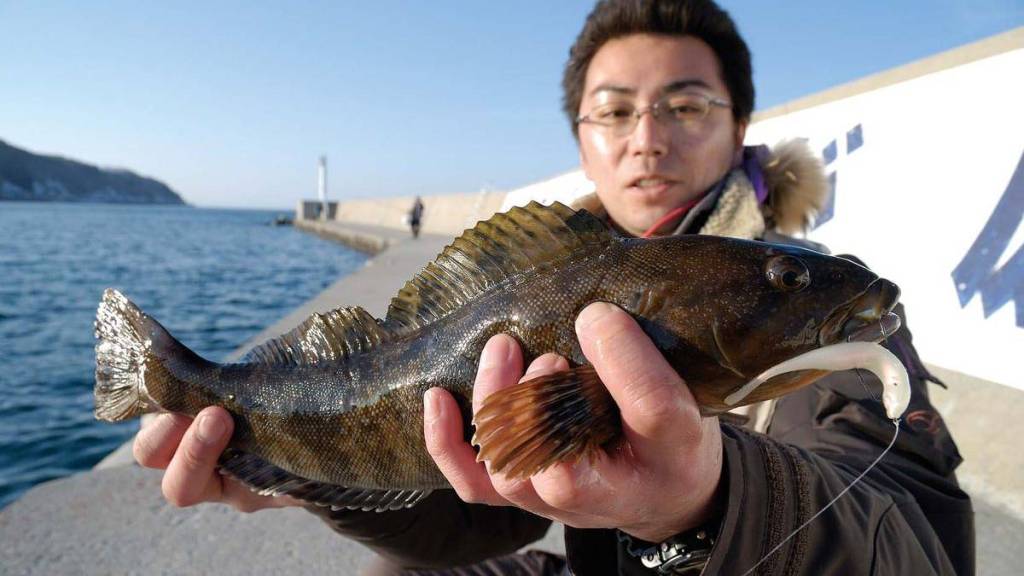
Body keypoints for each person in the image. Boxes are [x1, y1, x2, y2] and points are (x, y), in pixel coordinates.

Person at [133, 1, 974, 574]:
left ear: (739, 125)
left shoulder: (828, 320)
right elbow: (487, 508)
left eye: (685, 106)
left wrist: (709, 500)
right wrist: (305, 477)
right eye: (615, 111)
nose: (647, 139)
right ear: (583, 136)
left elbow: (924, 546)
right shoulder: (549, 275)